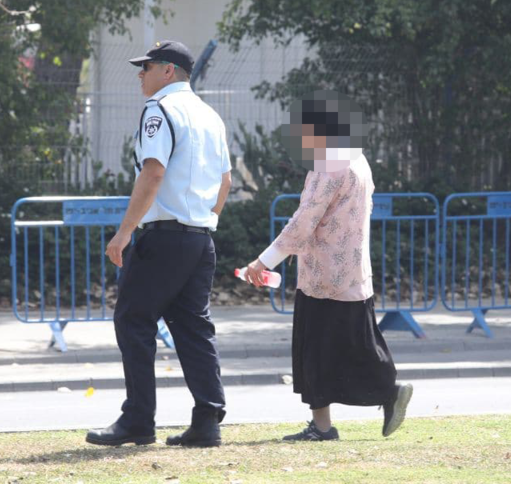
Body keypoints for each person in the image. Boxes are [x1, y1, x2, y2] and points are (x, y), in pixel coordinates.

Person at [242, 93, 413, 442]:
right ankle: (376, 397)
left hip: (324, 276)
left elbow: (305, 220)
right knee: (355, 345)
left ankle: (335, 420)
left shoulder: (330, 163)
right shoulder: (358, 160)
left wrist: (264, 260)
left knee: (317, 351)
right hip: (351, 273)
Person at [86, 40, 232, 448]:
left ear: (168, 71)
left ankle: (138, 420)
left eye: (147, 66)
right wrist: (208, 220)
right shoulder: (209, 114)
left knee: (133, 321)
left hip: (163, 237)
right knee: (192, 328)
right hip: (200, 238)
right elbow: (226, 182)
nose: (140, 73)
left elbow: (152, 173)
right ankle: (207, 420)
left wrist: (125, 230)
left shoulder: (159, 110)